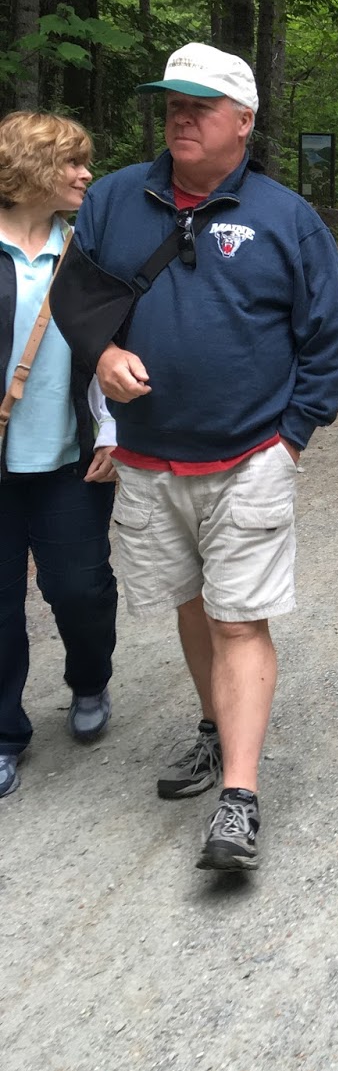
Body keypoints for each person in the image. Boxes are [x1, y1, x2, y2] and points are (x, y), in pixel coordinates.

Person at [51, 44, 338, 870]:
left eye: (200, 105)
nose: (181, 117)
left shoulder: (286, 218)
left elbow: (331, 338)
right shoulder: (116, 199)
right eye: (172, 103)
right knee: (193, 604)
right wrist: (101, 353)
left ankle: (240, 799)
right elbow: (76, 297)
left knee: (237, 617)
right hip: (148, 458)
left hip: (251, 454)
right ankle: (216, 729)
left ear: (244, 121)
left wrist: (292, 436)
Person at [0, 112, 118, 799]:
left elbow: (116, 349)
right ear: (31, 169)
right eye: (72, 163)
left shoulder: (84, 257)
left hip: (72, 458)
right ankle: (4, 733)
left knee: (79, 589)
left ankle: (90, 679)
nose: (85, 175)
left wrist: (113, 432)